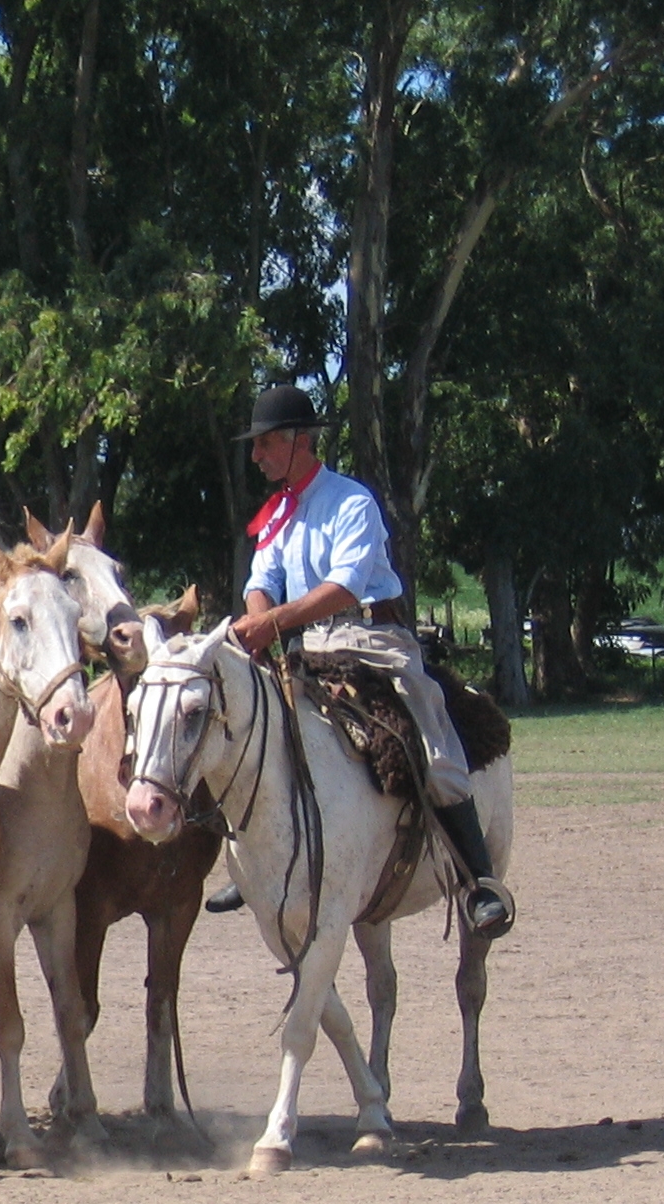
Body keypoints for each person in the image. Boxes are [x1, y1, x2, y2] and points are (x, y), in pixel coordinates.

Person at [201, 384, 513, 938]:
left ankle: (479, 879)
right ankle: (258, 866)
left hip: (369, 643)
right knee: (248, 728)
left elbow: (345, 586)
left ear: (300, 441)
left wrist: (272, 621)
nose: (256, 455)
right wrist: (258, 626)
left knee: (428, 736)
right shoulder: (276, 514)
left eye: (265, 443)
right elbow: (261, 582)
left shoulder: (352, 502)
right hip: (300, 648)